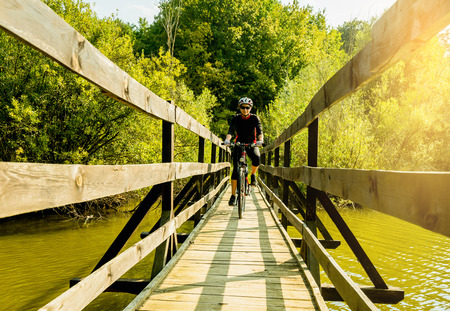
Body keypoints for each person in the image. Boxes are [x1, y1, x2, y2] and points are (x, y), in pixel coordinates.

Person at [223, 97, 264, 206]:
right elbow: (231, 130)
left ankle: (253, 175)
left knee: (256, 157)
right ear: (239, 107)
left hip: (252, 143)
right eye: (243, 107)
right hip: (239, 143)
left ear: (250, 108)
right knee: (236, 170)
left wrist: (261, 141)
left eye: (247, 107)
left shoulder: (255, 118)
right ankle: (232, 196)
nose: (245, 110)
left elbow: (259, 130)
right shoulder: (236, 118)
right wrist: (227, 140)